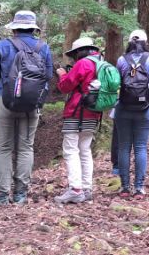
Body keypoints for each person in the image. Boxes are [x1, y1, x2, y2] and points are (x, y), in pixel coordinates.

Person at [0, 10, 54, 205]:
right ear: (33, 28)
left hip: (4, 100)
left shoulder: (2, 46)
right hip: (32, 104)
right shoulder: (44, 48)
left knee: (3, 148)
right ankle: (21, 195)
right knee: (25, 148)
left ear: (14, 28)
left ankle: (1, 196)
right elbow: (48, 77)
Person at [54, 37, 103, 204]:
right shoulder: (101, 62)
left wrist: (62, 75)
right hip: (94, 111)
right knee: (85, 148)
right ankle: (86, 188)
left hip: (76, 110)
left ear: (79, 52)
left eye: (74, 54)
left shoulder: (83, 64)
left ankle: (75, 189)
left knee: (70, 149)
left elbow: (65, 86)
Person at [113, 29, 149, 198]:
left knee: (124, 147)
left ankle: (125, 187)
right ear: (145, 42)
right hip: (145, 107)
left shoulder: (121, 60)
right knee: (141, 147)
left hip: (123, 107)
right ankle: (139, 188)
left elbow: (118, 83)